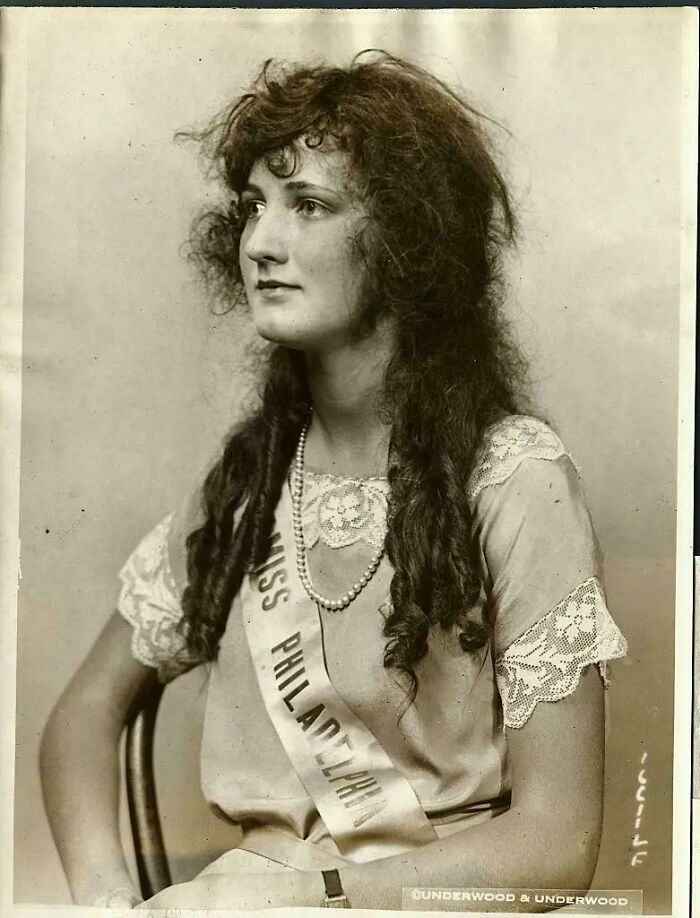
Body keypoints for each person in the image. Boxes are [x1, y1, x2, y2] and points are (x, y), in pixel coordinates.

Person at [40, 52, 628, 911]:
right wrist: (108, 902)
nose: (260, 244)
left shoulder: (511, 478)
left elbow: (558, 842)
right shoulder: (247, 487)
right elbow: (81, 719)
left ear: (404, 239)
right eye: (251, 207)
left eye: (308, 206)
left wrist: (311, 896)